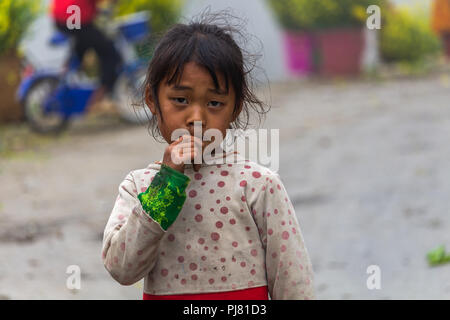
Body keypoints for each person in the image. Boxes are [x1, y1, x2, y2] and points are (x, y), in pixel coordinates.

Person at [101, 11, 315, 300]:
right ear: (152, 100)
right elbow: (122, 269)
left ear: (235, 108)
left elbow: (293, 282)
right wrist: (165, 186)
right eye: (180, 100)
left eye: (214, 102)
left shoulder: (258, 185)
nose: (197, 117)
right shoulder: (140, 187)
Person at [50, 0, 122, 112]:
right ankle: (100, 95)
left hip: (65, 17)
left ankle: (71, 74)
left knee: (83, 47)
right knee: (110, 53)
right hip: (74, 19)